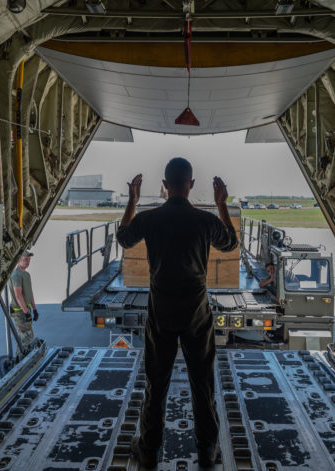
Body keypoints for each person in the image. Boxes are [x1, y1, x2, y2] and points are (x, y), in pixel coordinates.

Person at [117, 158, 238, 469]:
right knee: (203, 383)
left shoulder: (151, 218)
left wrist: (132, 201)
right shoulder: (204, 220)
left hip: (162, 312)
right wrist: (221, 205)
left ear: (165, 185)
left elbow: (124, 237)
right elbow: (230, 242)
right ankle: (207, 449)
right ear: (191, 185)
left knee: (156, 385)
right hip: (196, 312)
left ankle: (148, 450)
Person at [9, 250, 38, 350]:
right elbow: (18, 296)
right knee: (26, 338)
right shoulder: (16, 275)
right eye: (25, 259)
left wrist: (34, 309)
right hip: (19, 312)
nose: (28, 262)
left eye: (29, 260)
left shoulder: (26, 274)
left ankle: (26, 359)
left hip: (26, 309)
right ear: (18, 260)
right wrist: (26, 313)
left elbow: (30, 293)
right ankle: (20, 363)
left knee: (28, 337)